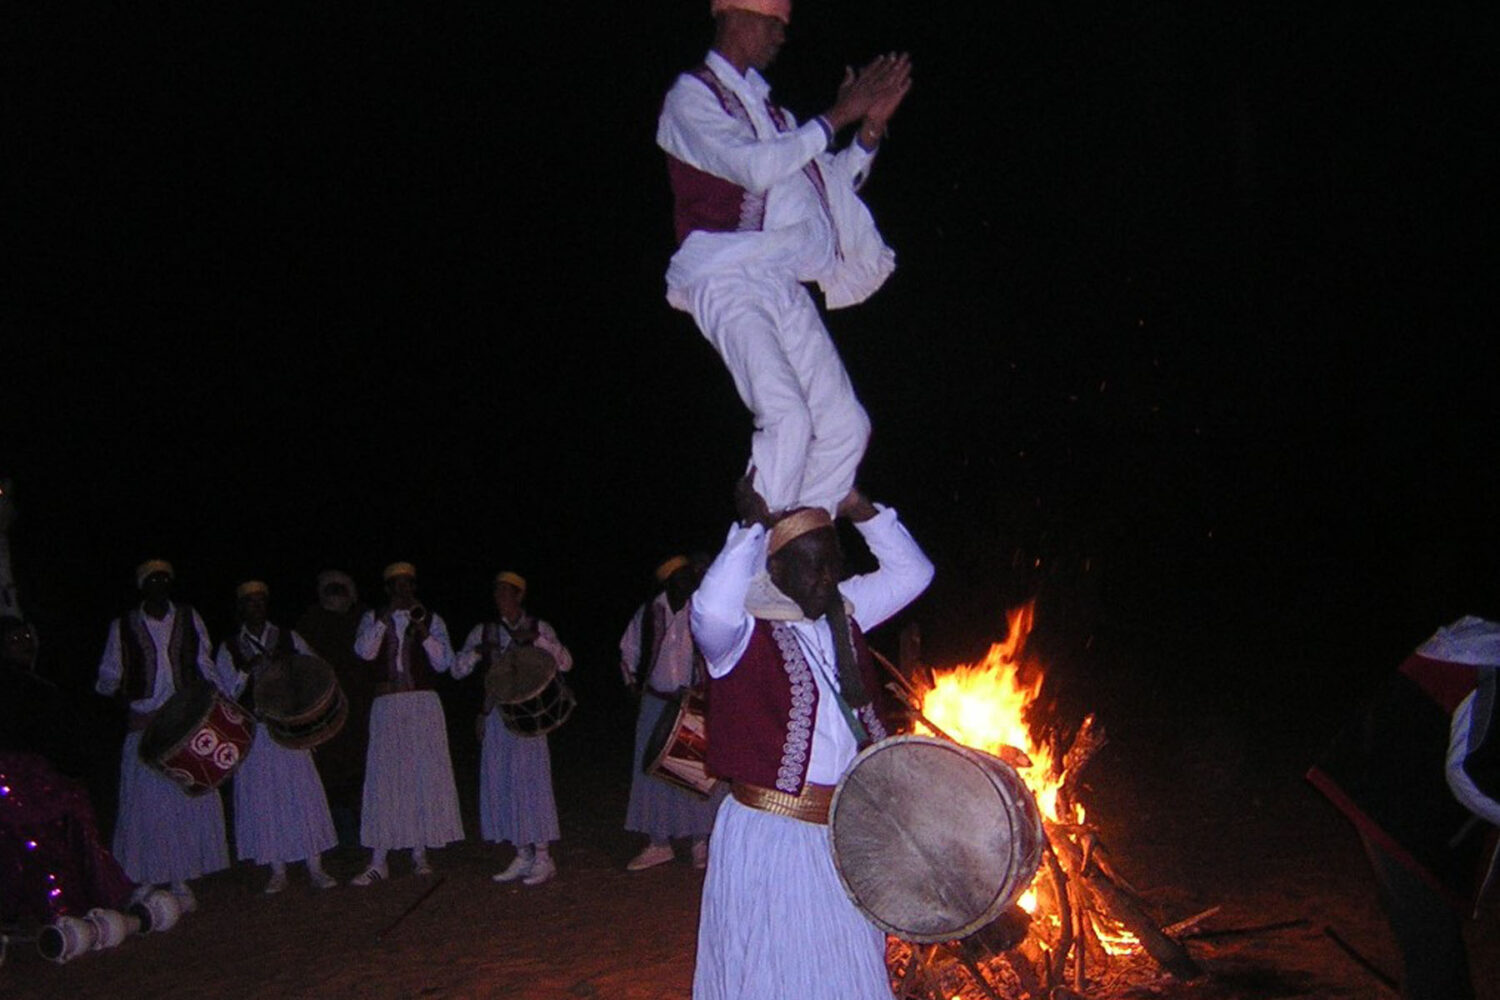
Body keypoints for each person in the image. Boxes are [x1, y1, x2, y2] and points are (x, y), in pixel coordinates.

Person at [657, 0, 912, 517]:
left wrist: (867, 131)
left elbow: (827, 191)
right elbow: (755, 167)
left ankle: (788, 558)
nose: (782, 36)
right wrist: (838, 113)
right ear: (738, 16)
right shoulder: (692, 98)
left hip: (779, 277)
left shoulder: (776, 116)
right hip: (725, 274)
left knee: (847, 427)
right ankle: (748, 553)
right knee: (787, 418)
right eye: (776, 24)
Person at [690, 481, 933, 999]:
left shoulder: (844, 615)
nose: (827, 577)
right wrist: (753, 531)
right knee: (777, 973)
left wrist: (857, 506)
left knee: (847, 969)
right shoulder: (738, 636)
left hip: (839, 833)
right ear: (775, 569)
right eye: (812, 564)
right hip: (770, 836)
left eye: (833, 562)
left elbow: (915, 573)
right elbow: (709, 611)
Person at [1309, 616, 1500, 1000]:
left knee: (1432, 939)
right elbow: (1466, 770)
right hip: (1392, 802)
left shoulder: (1482, 649)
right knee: (1430, 940)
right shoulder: (1491, 662)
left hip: (1402, 798)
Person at [94, 560, 229, 911]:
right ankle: (145, 880)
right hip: (145, 724)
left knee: (182, 800)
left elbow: (205, 663)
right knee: (144, 807)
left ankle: (181, 878)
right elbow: (108, 677)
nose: (160, 584)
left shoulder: (188, 617)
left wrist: (218, 700)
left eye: (164, 579)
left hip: (183, 724)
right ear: (142, 586)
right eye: (153, 580)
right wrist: (128, 696)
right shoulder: (123, 626)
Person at [2, 616, 134, 924]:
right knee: (57, 824)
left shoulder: (34, 685)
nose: (25, 646)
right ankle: (61, 906)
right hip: (19, 779)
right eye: (15, 641)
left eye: (27, 638)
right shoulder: (25, 688)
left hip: (30, 776)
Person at [214, 580, 338, 893]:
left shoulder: (287, 637)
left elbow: (315, 670)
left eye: (260, 601)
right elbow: (223, 693)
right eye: (249, 603)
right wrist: (246, 670)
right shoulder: (229, 648)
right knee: (263, 798)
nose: (255, 607)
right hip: (254, 731)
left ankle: (315, 866)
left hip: (289, 727)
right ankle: (277, 868)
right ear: (240, 608)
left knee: (302, 794)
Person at [453, 571, 573, 886]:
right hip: (497, 714)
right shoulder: (484, 630)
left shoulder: (538, 627)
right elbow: (456, 670)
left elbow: (566, 663)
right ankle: (522, 853)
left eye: (505, 592)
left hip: (532, 716)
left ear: (519, 595)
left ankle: (544, 856)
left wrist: (539, 641)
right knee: (503, 780)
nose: (499, 598)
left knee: (532, 783)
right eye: (496, 592)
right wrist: (474, 654)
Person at [350, 562, 464, 885]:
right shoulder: (372, 618)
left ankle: (419, 853)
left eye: (409, 585)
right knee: (385, 778)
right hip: (387, 706)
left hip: (422, 705)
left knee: (421, 776)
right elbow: (364, 652)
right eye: (397, 586)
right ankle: (378, 859)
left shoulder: (432, 618)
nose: (404, 591)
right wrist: (387, 619)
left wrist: (424, 631)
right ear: (388, 590)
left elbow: (444, 663)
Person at [619, 555, 720, 871]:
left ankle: (700, 842)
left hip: (693, 701)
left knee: (694, 771)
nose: (689, 581)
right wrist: (632, 684)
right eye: (682, 577)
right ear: (669, 581)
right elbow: (628, 652)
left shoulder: (700, 610)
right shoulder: (650, 614)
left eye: (689, 575)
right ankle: (659, 842)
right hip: (656, 700)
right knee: (653, 772)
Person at [295, 569, 373, 846]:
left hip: (362, 706)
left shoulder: (364, 617)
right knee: (329, 771)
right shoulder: (310, 622)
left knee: (364, 769)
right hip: (325, 709)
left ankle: (369, 832)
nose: (335, 594)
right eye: (330, 589)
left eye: (340, 589)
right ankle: (339, 835)